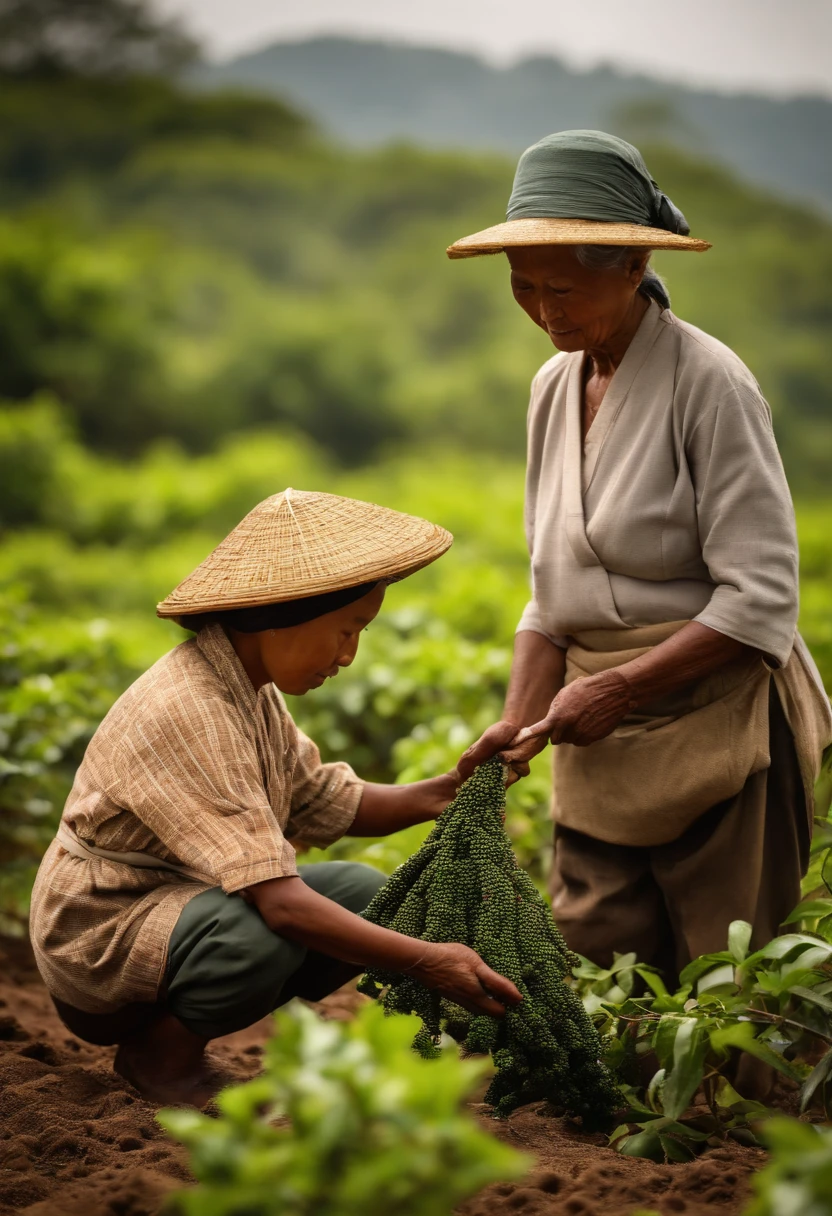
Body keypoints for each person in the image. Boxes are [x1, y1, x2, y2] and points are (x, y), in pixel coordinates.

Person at [452, 130, 832, 979]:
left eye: (564, 286)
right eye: (524, 287)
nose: (545, 309)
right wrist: (518, 722)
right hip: (596, 741)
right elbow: (553, 594)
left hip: (716, 730)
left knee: (731, 981)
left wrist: (622, 687)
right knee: (598, 973)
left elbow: (761, 600)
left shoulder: (712, 384)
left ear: (632, 266)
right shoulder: (553, 388)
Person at [30, 488, 521, 1106]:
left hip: (179, 905)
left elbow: (328, 801)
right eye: (346, 630)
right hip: (102, 939)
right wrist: (426, 960)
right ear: (281, 616)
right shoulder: (191, 709)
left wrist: (457, 787)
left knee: (366, 894)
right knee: (260, 934)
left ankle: (177, 1033)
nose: (348, 655)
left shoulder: (249, 688)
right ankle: (159, 1055)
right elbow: (281, 905)